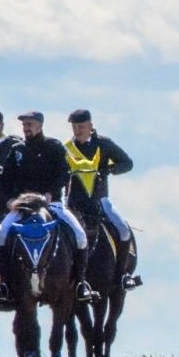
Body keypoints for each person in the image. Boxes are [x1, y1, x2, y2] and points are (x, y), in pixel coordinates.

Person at [0, 111, 95, 303]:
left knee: (80, 235)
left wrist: (50, 192)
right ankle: (4, 283)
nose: (26, 128)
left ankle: (80, 283)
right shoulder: (17, 150)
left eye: (29, 124)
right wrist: (9, 200)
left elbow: (63, 173)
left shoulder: (54, 146)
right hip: (23, 206)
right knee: (0, 233)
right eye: (24, 125)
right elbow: (5, 179)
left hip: (52, 204)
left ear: (40, 125)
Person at [62, 108, 140, 291]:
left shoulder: (104, 144)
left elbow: (127, 163)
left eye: (81, 126)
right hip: (74, 203)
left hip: (100, 200)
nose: (77, 130)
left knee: (123, 230)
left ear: (90, 125)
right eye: (74, 126)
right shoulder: (66, 148)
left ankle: (122, 275)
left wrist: (110, 169)